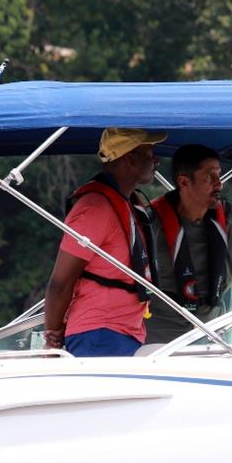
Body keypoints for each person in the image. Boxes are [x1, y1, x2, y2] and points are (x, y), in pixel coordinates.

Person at [44, 127, 166, 356]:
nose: (156, 160)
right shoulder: (94, 209)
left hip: (123, 332)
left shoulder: (126, 204)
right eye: (150, 155)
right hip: (99, 334)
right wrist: (53, 334)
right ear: (130, 159)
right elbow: (60, 282)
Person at [145, 144, 232, 343]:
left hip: (213, 334)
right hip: (158, 337)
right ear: (184, 182)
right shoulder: (149, 222)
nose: (219, 184)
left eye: (219, 175)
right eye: (210, 177)